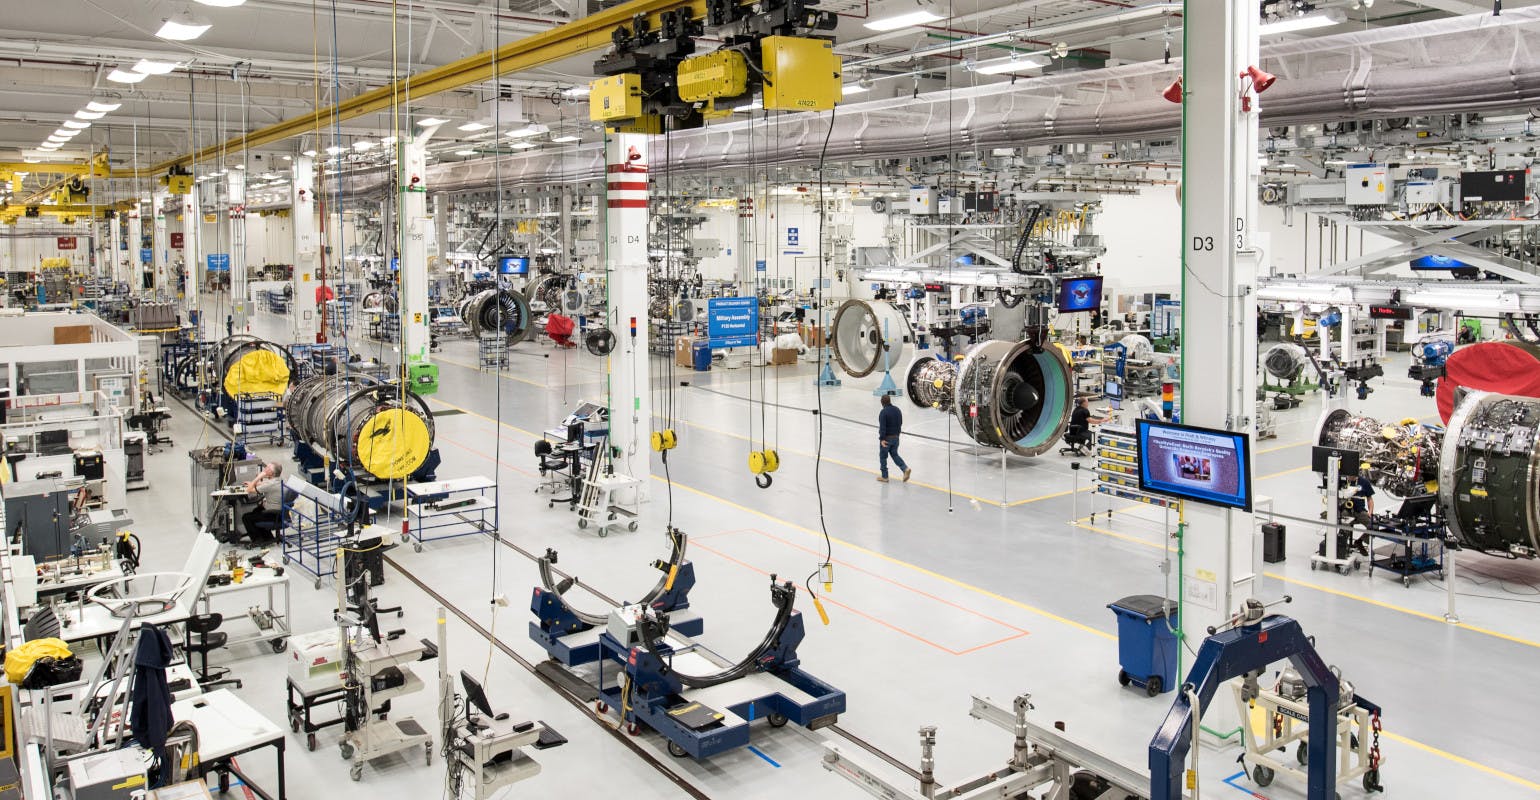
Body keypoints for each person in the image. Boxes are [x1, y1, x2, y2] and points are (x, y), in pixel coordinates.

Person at [240, 461, 285, 543]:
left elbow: (249, 490)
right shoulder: (278, 479)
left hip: (273, 514)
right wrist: (253, 483)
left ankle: (257, 540)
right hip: (279, 513)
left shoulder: (271, 484)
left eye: (267, 468)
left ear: (271, 473)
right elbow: (264, 484)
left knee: (246, 517)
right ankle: (268, 537)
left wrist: (258, 477)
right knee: (256, 510)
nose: (265, 469)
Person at [877, 395, 911, 483]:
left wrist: (882, 439)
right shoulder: (897, 409)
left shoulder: (883, 412)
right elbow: (900, 422)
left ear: (882, 402)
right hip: (896, 437)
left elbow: (882, 427)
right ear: (889, 401)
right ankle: (905, 468)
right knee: (894, 454)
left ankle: (885, 477)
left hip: (887, 439)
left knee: (883, 457)